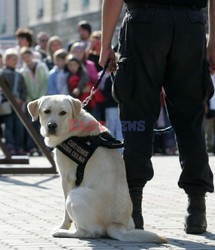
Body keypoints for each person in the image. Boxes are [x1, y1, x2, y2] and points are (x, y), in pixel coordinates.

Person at [99, 0, 215, 234]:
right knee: (190, 119)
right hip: (190, 24)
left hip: (144, 23)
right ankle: (196, 208)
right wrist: (212, 40)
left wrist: (105, 44)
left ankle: (134, 209)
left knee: (136, 117)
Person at [20, 47, 49, 156]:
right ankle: (32, 148)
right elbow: (25, 87)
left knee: (43, 123)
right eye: (24, 57)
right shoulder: (23, 71)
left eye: (27, 56)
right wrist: (30, 100)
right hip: (31, 101)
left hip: (43, 100)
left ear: (31, 56)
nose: (26, 59)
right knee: (31, 125)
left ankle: (44, 148)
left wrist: (41, 98)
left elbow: (45, 82)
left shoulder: (41, 67)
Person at [0, 48, 27, 155]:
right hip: (8, 105)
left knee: (19, 127)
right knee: (9, 126)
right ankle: (10, 146)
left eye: (16, 58)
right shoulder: (2, 73)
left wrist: (21, 99)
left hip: (18, 105)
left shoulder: (19, 74)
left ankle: (19, 147)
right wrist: (10, 99)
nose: (14, 60)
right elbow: (3, 89)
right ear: (6, 60)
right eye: (12, 58)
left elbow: (24, 90)